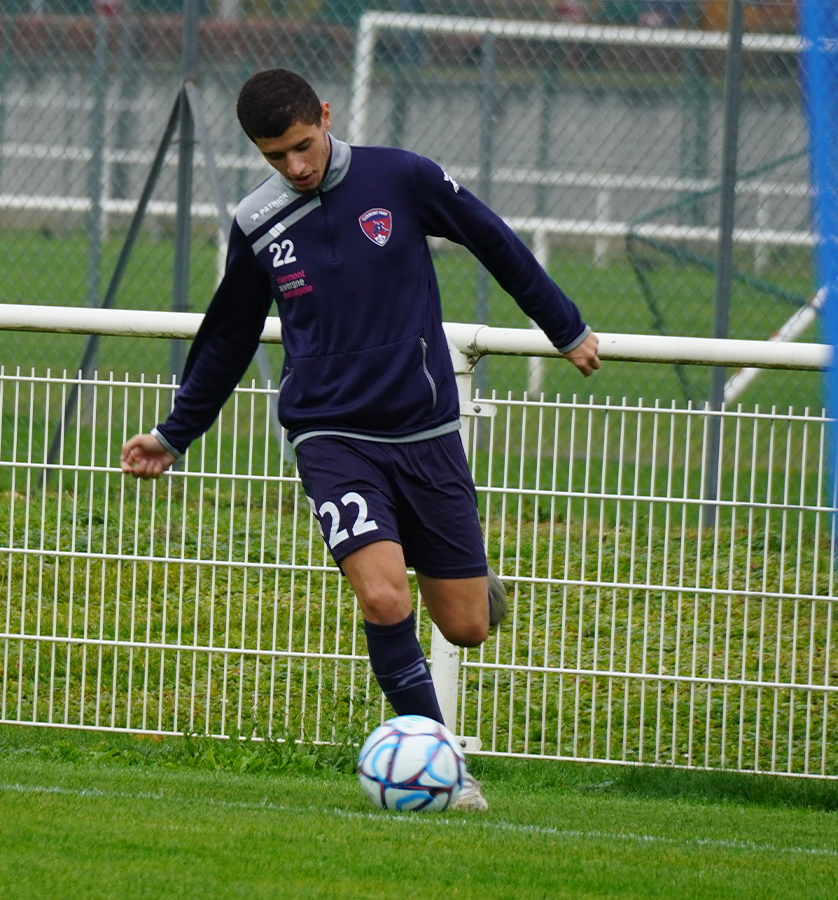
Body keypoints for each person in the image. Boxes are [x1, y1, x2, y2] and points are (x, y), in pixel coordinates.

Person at [120, 68, 601, 809]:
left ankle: (469, 580)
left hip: (427, 427)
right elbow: (228, 336)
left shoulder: (400, 177)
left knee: (466, 627)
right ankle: (444, 771)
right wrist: (174, 434)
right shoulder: (257, 222)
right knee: (382, 598)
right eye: (274, 156)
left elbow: (493, 240)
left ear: (326, 115)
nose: (296, 167)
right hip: (329, 435)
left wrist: (564, 326)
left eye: (303, 147)